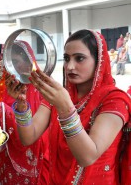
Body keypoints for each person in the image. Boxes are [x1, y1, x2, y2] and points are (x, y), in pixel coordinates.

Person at [7, 29, 131, 184]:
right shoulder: (60, 95)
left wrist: (65, 109)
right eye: (66, 58)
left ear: (99, 61)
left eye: (80, 58)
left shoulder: (115, 100)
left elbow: (88, 156)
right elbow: (28, 137)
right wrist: (21, 104)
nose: (70, 66)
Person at [0, 42, 48, 184]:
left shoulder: (40, 88)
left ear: (29, 63)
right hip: (8, 150)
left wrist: (1, 109)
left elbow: (38, 128)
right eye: (9, 62)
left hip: (30, 153)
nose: (11, 67)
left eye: (15, 61)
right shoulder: (13, 84)